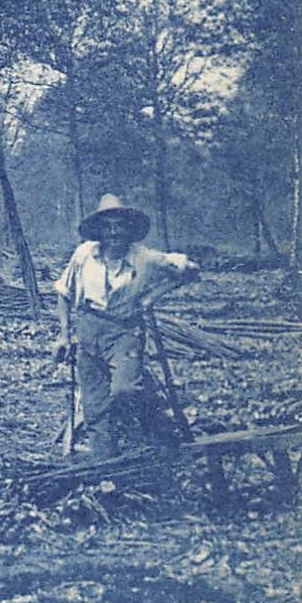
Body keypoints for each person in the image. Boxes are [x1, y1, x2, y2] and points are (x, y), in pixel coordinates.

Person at [52, 194, 199, 457]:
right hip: (89, 330)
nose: (114, 232)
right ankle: (106, 467)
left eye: (119, 225)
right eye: (108, 226)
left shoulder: (145, 258)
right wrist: (63, 335)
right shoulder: (84, 254)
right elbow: (63, 292)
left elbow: (189, 270)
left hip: (124, 332)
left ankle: (154, 423)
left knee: (124, 390)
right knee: (95, 407)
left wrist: (153, 296)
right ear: (99, 230)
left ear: (129, 229)